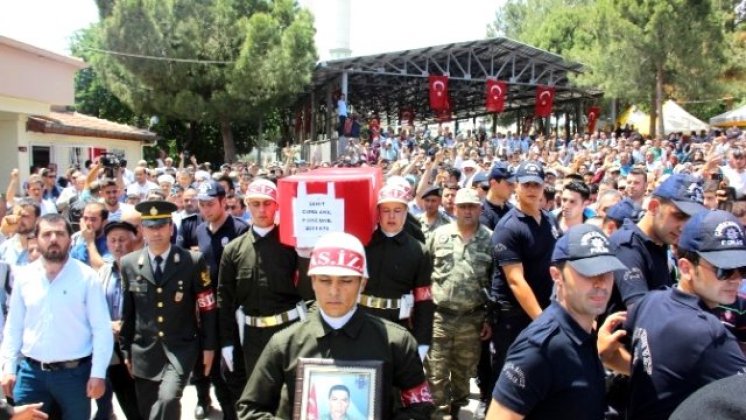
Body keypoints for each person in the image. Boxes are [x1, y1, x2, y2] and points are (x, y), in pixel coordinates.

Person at [236, 232, 434, 419]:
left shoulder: (396, 342)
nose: (334, 291)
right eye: (324, 280)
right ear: (312, 281)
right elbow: (250, 409)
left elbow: (421, 405)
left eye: (346, 281)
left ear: (362, 283)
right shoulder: (285, 344)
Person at [599, 210, 746, 420]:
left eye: (742, 268)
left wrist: (610, 356)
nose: (736, 279)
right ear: (686, 268)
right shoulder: (708, 335)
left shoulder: (650, 302)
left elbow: (650, 370)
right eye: (724, 270)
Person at [488, 224, 626, 420]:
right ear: (557, 276)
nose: (601, 282)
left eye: (608, 271)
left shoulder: (583, 333)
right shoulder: (538, 349)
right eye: (588, 272)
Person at [0, 214, 113, 418]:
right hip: (31, 374)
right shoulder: (24, 277)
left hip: (75, 376)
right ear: (36, 239)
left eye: (60, 233)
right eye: (47, 234)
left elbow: (101, 329)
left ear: (70, 239)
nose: (53, 239)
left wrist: (98, 374)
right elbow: (14, 325)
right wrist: (8, 367)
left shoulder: (87, 277)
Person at [118, 200, 217, 420]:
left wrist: (209, 346)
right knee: (149, 409)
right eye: (150, 227)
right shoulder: (129, 263)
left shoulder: (191, 261)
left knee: (168, 398)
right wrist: (125, 349)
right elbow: (128, 312)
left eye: (161, 225)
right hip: (144, 350)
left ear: (171, 228)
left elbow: (207, 307)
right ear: (142, 230)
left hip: (180, 348)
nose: (156, 232)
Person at [217, 179, 309, 379]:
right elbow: (224, 300)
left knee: (290, 396)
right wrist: (226, 342)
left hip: (289, 330)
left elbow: (308, 291)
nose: (262, 210)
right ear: (247, 205)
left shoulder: (292, 245)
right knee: (259, 397)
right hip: (252, 337)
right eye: (256, 204)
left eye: (267, 203)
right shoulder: (233, 250)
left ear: (277, 205)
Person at [181, 181, 248, 420]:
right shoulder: (199, 230)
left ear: (223, 202)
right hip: (207, 312)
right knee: (213, 371)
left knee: (234, 371)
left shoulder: (239, 230)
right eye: (202, 205)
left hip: (232, 312)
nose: (206, 209)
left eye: (210, 204)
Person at [490, 161, 560, 389]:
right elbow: (515, 280)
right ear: (516, 187)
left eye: (537, 184)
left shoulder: (550, 220)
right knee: (510, 377)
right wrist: (541, 320)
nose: (532, 189)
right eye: (526, 184)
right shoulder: (508, 227)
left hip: (546, 309)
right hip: (515, 316)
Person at [425, 188, 493, 418]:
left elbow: (496, 282)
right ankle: (440, 413)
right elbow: (425, 271)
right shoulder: (439, 235)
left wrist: (489, 319)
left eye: (472, 206)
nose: (467, 211)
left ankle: (455, 407)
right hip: (440, 317)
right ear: (454, 208)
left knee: (463, 373)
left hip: (472, 319)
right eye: (462, 206)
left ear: (480, 209)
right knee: (435, 371)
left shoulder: (490, 239)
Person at [607, 173, 706, 313]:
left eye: (690, 219)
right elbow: (640, 312)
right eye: (679, 216)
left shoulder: (660, 242)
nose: (683, 226)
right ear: (654, 207)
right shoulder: (626, 245)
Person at [361, 184, 434, 358]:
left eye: (398, 210)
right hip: (362, 324)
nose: (391, 216)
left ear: (406, 212)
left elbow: (424, 302)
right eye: (386, 210)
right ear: (378, 212)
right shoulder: (363, 244)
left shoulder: (419, 251)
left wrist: (422, 343)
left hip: (398, 327)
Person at [94, 221, 142, 420]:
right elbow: (94, 309)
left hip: (140, 345)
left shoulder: (144, 267)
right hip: (112, 347)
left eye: (122, 240)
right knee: (126, 400)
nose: (117, 245)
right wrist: (108, 325)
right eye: (112, 241)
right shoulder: (103, 272)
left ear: (134, 240)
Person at [480, 162, 514, 230]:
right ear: (494, 183)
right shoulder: (481, 213)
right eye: (509, 184)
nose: (513, 188)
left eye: (513, 184)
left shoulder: (512, 209)